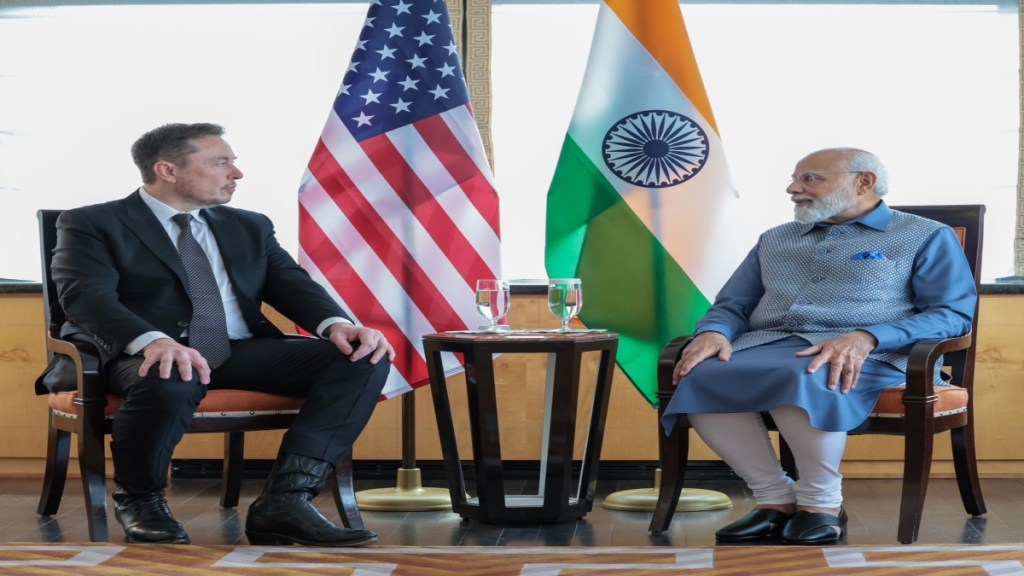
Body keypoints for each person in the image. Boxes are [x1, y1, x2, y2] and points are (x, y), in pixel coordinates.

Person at [37, 123, 394, 547]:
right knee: (171, 372)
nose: (236, 173)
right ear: (168, 170)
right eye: (221, 163)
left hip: (238, 350)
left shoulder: (248, 225)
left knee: (360, 356)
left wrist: (338, 325)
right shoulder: (93, 222)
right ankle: (142, 500)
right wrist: (154, 340)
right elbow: (86, 297)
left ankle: (286, 501)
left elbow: (289, 283)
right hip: (138, 354)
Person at [660, 148, 976, 545]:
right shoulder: (775, 239)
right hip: (768, 344)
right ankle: (774, 499)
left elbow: (951, 314)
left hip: (878, 354)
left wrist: (869, 335)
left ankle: (820, 504)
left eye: (811, 178)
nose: (794, 188)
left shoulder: (926, 235)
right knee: (699, 372)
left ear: (863, 182)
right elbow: (734, 304)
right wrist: (714, 332)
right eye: (795, 178)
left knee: (806, 371)